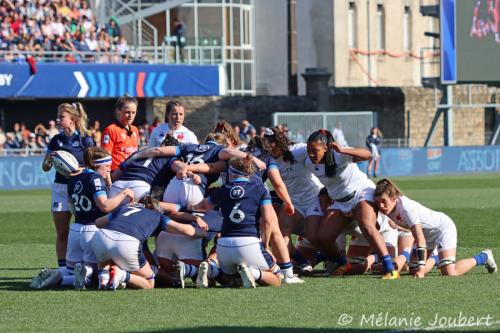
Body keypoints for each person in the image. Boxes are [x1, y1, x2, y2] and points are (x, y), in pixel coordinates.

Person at [30, 147, 135, 289]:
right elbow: (104, 206)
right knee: (99, 272)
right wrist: (124, 193)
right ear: (96, 165)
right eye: (107, 166)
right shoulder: (95, 178)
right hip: (92, 231)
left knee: (71, 271)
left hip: (75, 230)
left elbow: (71, 206)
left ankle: (59, 277)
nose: (109, 170)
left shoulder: (73, 178)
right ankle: (87, 273)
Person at [304, 129, 399, 279]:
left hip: (361, 192)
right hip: (340, 202)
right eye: (308, 150)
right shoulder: (309, 162)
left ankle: (390, 268)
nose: (310, 154)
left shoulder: (338, 154)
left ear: (326, 148)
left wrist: (343, 150)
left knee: (367, 225)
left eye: (314, 150)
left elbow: (368, 154)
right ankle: (342, 262)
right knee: (322, 238)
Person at [374, 178, 497, 278]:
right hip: (427, 236)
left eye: (384, 201)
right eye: (378, 202)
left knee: (449, 273)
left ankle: (484, 256)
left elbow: (419, 238)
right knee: (412, 270)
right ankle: (436, 257)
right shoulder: (386, 208)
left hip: (443, 229)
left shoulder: (407, 209)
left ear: (394, 198)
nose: (381, 206)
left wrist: (422, 270)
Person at [193, 157, 282, 288]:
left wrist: (189, 206)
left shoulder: (224, 189)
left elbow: (202, 206)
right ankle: (253, 272)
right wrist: (265, 245)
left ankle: (212, 270)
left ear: (231, 172)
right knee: (277, 277)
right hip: (249, 243)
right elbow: (267, 220)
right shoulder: (260, 189)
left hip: (224, 244)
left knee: (231, 280)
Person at [91, 196, 205, 290]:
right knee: (149, 283)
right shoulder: (157, 216)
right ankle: (120, 275)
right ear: (155, 208)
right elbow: (185, 230)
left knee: (106, 262)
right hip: (127, 242)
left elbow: (98, 222)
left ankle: (104, 278)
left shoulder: (125, 208)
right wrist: (202, 233)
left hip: (101, 236)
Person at [41, 102, 95, 273]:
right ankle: (64, 269)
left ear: (73, 119)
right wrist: (49, 160)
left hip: (80, 188)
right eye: (58, 116)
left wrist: (80, 169)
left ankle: (88, 266)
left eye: (61, 117)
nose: (58, 120)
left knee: (85, 229)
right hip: (60, 188)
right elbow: (44, 167)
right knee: (62, 233)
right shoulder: (56, 140)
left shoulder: (85, 139)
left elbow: (94, 165)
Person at [101, 95, 139, 171]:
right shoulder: (110, 130)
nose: (131, 116)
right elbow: (105, 158)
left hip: (133, 173)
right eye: (127, 112)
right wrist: (109, 181)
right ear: (118, 111)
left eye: (133, 112)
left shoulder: (135, 130)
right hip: (116, 175)